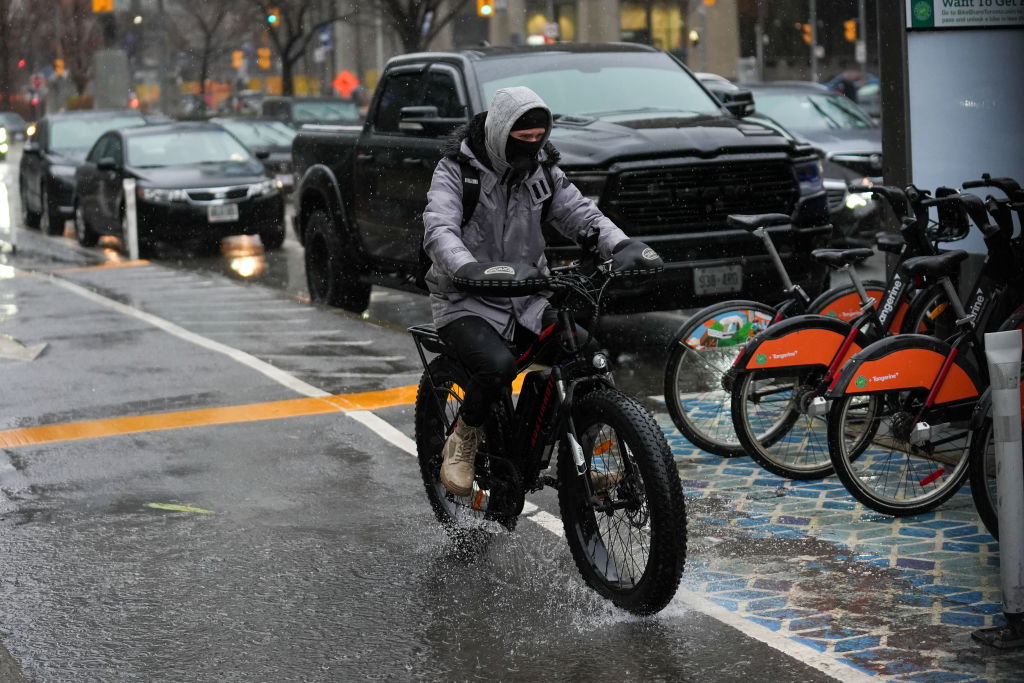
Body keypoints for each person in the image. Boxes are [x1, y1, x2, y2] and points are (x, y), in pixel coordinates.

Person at [421, 86, 661, 497]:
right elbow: (439, 227)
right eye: (522, 137)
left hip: (527, 297)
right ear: (501, 132)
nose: (531, 145)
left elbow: (581, 214)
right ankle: (463, 438)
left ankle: (583, 457)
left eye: (538, 138)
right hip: (465, 300)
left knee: (584, 353)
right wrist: (467, 267)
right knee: (496, 367)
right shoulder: (457, 170)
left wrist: (621, 245)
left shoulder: (543, 172)